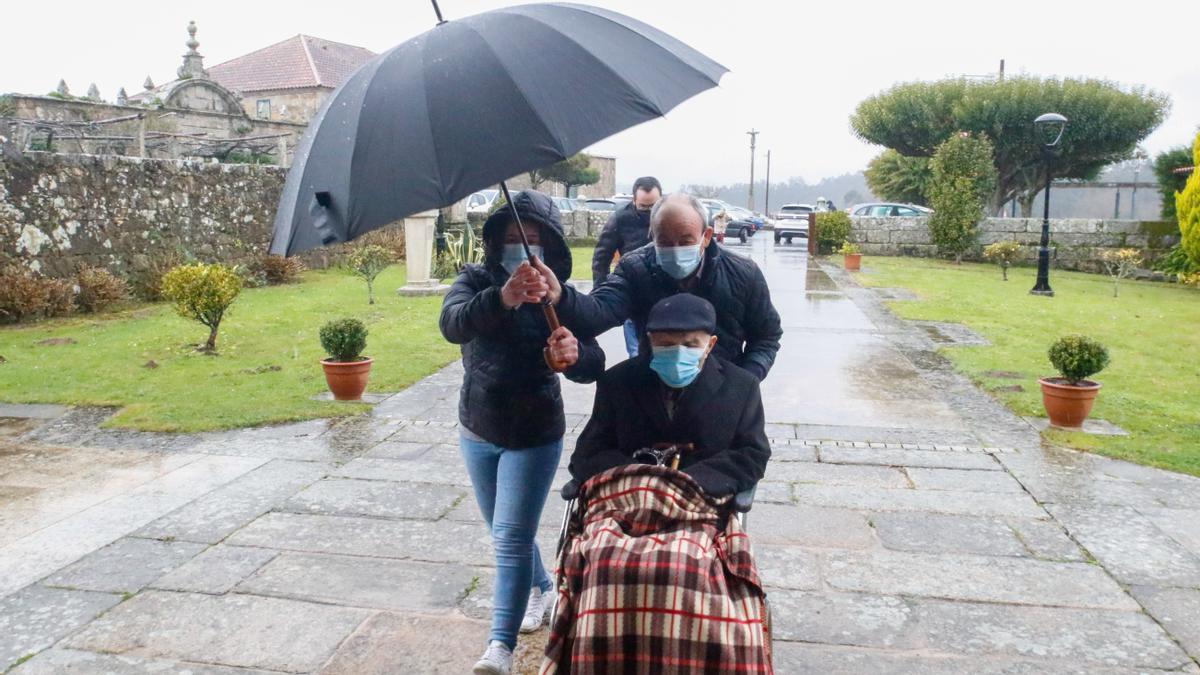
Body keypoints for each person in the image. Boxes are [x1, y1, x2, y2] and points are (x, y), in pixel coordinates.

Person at [439, 190, 604, 675]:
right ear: (495, 243)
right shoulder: (475, 280)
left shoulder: (558, 295)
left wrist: (571, 356)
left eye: (532, 239)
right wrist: (504, 297)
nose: (522, 247)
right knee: (503, 529)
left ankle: (500, 648)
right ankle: (543, 588)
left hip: (534, 432)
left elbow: (592, 362)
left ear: (549, 245)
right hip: (478, 426)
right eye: (512, 238)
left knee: (510, 536)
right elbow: (452, 324)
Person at [537, 191, 783, 381]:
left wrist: (745, 382)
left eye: (685, 241)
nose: (675, 250)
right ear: (652, 236)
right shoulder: (635, 269)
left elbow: (767, 336)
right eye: (665, 241)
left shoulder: (742, 273)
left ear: (706, 236)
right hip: (653, 393)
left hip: (723, 393)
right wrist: (562, 295)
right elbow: (600, 311)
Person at [569, 294, 770, 496]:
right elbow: (588, 453)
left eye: (691, 345)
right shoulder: (617, 381)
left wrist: (684, 483)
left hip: (702, 498)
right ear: (650, 341)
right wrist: (642, 476)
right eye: (666, 345)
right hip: (629, 494)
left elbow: (752, 455)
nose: (678, 354)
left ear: (710, 345)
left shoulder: (741, 386)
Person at [590, 176, 662, 357]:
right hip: (633, 288)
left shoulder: (668, 215)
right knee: (636, 353)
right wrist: (602, 292)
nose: (649, 212)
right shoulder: (620, 219)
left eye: (653, 206)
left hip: (663, 290)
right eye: (644, 207)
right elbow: (601, 258)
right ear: (634, 200)